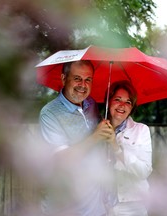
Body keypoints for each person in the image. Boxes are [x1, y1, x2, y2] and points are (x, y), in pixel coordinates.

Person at [39, 60, 114, 216]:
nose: (83, 85)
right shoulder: (49, 113)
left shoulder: (91, 103)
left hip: (97, 207)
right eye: (77, 78)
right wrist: (95, 137)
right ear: (64, 78)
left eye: (88, 80)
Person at [105, 80, 153, 216]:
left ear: (132, 107)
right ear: (109, 102)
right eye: (117, 99)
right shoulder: (97, 128)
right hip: (100, 206)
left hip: (131, 207)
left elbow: (144, 171)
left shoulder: (141, 130)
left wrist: (116, 148)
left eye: (128, 102)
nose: (122, 105)